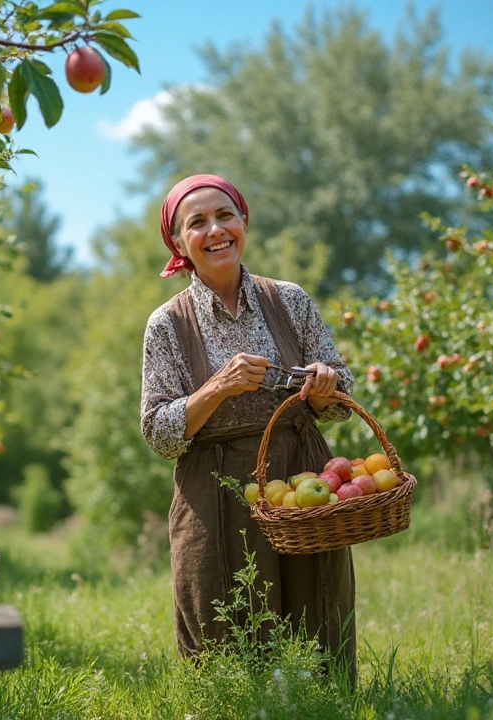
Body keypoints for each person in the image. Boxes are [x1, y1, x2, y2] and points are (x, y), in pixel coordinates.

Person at [139, 173, 356, 679]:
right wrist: (218, 387)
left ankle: (321, 710)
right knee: (223, 629)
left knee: (317, 610)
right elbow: (157, 431)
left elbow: (342, 397)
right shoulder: (167, 324)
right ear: (178, 241)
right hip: (215, 490)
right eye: (197, 223)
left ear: (244, 222)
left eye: (225, 216)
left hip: (303, 480)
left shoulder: (290, 300)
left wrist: (327, 385)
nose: (215, 230)